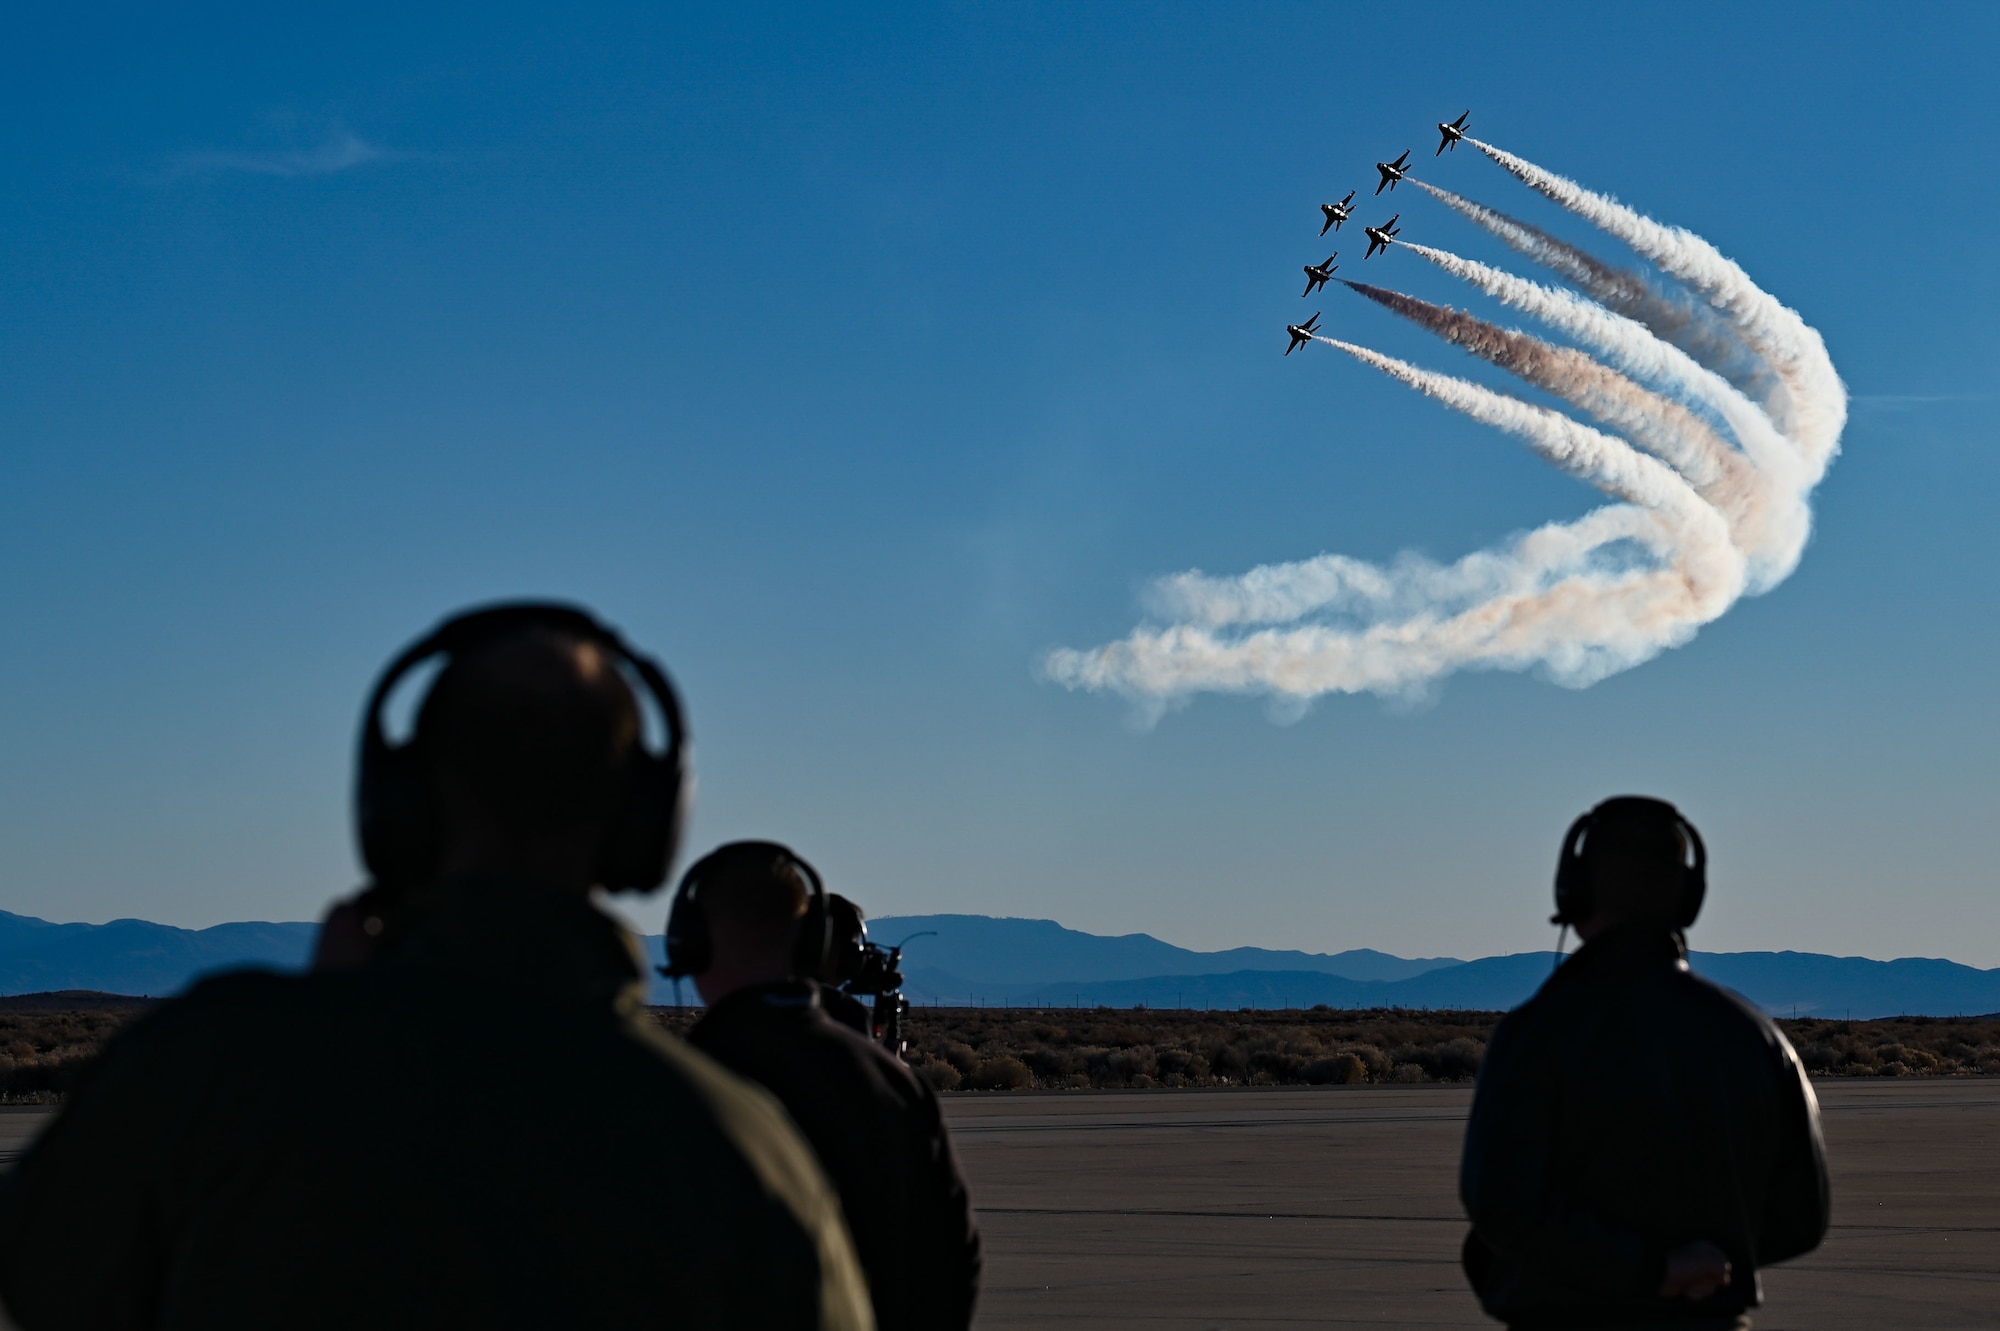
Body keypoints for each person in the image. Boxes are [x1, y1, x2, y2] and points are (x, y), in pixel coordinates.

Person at [0, 604, 872, 1331]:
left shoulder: (208, 1066)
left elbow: (47, 1276)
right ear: (642, 826)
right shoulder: (744, 1154)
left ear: (399, 805)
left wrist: (318, 1028)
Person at [1459, 796, 1830, 1330]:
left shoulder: (1538, 1033)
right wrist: (1702, 1262)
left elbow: (1501, 1202)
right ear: (1688, 897)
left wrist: (1647, 1270)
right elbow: (1801, 1219)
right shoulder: (1758, 1039)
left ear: (1576, 888)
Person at [668, 843, 981, 1331]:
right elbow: (950, 1259)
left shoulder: (678, 1089)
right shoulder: (893, 1086)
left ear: (688, 942)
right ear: (810, 943)